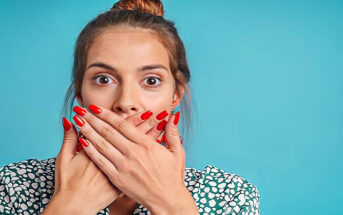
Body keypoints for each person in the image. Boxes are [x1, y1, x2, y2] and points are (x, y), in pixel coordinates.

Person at [0, 0, 260, 214]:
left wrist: (171, 203)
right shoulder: (12, 187)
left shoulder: (230, 196)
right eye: (104, 79)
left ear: (175, 96)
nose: (125, 103)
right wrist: (69, 206)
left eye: (151, 80)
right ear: (80, 93)